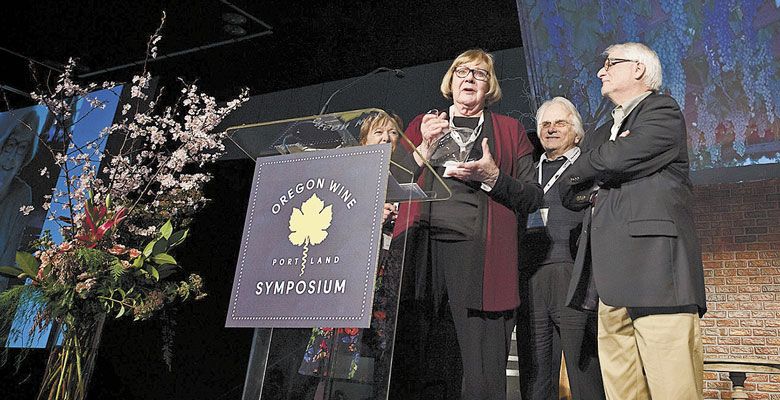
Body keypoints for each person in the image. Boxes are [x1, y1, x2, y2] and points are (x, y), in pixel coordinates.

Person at [391, 49, 542, 400]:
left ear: (490, 86)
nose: (470, 78)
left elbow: (533, 195)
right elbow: (393, 180)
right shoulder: (422, 124)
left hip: (480, 252)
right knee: (421, 356)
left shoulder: (510, 130)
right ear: (450, 80)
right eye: (462, 71)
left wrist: (493, 177)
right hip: (422, 250)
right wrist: (424, 147)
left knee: (480, 365)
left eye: (480, 73)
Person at [561, 42, 706, 399]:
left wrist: (602, 161)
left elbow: (613, 160)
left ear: (639, 69)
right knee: (622, 391)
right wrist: (604, 159)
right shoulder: (598, 132)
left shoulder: (663, 111)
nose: (601, 71)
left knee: (674, 389)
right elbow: (569, 187)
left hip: (656, 274)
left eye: (610, 63)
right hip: (608, 284)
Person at [298, 110, 402, 398]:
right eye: (378, 132)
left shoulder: (403, 177)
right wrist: (372, 218)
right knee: (336, 363)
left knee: (372, 362)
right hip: (348, 278)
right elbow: (330, 225)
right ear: (364, 141)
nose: (386, 138)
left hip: (386, 276)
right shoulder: (347, 174)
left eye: (392, 133)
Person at [517, 97, 604, 399]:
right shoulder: (526, 170)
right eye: (545, 124)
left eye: (560, 123)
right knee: (535, 372)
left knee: (585, 372)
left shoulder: (590, 166)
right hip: (530, 276)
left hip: (574, 274)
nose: (551, 129)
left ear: (577, 132)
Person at [0, 109, 41, 291]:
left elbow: (6, 265)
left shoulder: (22, 194)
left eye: (22, 148)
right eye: (11, 145)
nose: (12, 158)